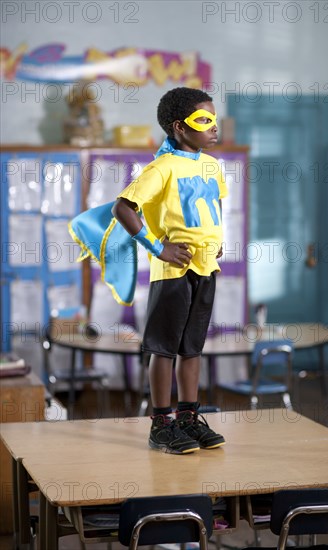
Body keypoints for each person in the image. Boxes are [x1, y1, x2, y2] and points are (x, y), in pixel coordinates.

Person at [112, 87, 228, 454]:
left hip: (206, 265)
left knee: (191, 349)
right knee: (163, 349)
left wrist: (215, 238)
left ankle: (188, 418)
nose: (213, 127)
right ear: (179, 127)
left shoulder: (212, 165)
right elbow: (123, 208)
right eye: (203, 120)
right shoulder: (161, 167)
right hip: (174, 272)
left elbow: (214, 206)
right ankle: (161, 424)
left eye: (214, 119)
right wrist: (157, 247)